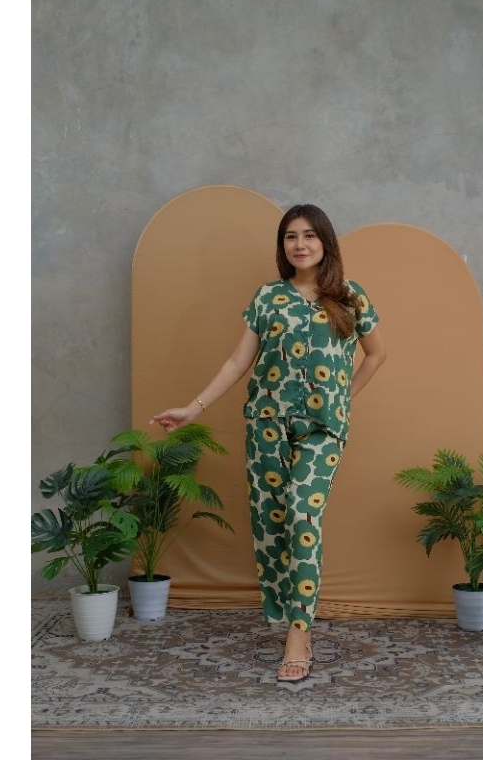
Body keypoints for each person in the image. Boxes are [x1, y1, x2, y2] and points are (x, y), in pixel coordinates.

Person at [150, 203, 386, 683]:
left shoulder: (349, 295)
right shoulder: (267, 297)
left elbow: (377, 354)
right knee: (272, 523)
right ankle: (287, 614)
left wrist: (342, 401)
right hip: (266, 424)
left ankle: (299, 634)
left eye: (309, 235)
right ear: (282, 246)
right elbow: (239, 362)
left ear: (325, 242)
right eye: (290, 237)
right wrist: (194, 407)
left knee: (302, 513)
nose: (300, 244)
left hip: (322, 428)